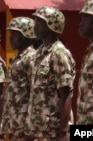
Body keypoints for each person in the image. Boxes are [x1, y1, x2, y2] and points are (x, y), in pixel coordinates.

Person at [27, 6, 75, 141]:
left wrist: (64, 131)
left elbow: (65, 94)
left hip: (54, 130)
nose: (35, 26)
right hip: (40, 129)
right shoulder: (40, 52)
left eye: (39, 22)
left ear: (52, 26)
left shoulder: (59, 53)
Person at [1, 16, 37, 141]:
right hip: (14, 123)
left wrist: (30, 125)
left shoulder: (31, 58)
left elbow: (35, 92)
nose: (11, 38)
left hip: (24, 126)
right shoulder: (18, 57)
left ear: (26, 35)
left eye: (15, 34)